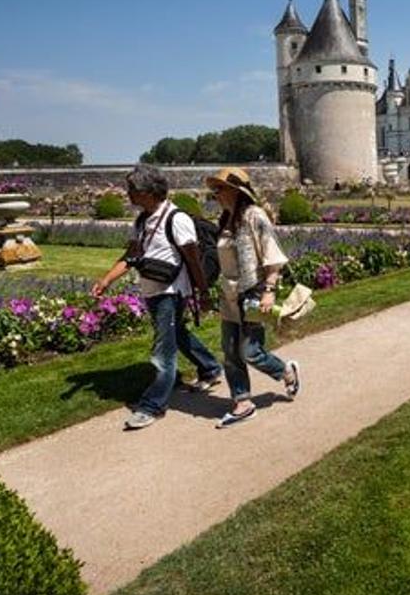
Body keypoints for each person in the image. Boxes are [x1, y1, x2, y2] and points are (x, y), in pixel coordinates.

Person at [92, 164, 223, 430]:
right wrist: (106, 279)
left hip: (170, 293)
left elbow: (193, 261)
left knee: (163, 351)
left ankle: (152, 406)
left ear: (148, 192)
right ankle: (210, 368)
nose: (128, 194)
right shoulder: (142, 220)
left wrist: (203, 293)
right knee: (177, 334)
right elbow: (132, 255)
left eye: (132, 189)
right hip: (152, 290)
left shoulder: (177, 219)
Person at [206, 167, 300, 428]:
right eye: (214, 191)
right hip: (229, 295)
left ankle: (286, 370)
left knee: (250, 351)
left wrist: (269, 290)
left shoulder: (254, 216)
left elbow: (272, 256)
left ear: (236, 191)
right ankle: (243, 402)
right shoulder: (226, 219)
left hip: (253, 293)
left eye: (219, 189)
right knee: (230, 351)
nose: (216, 195)